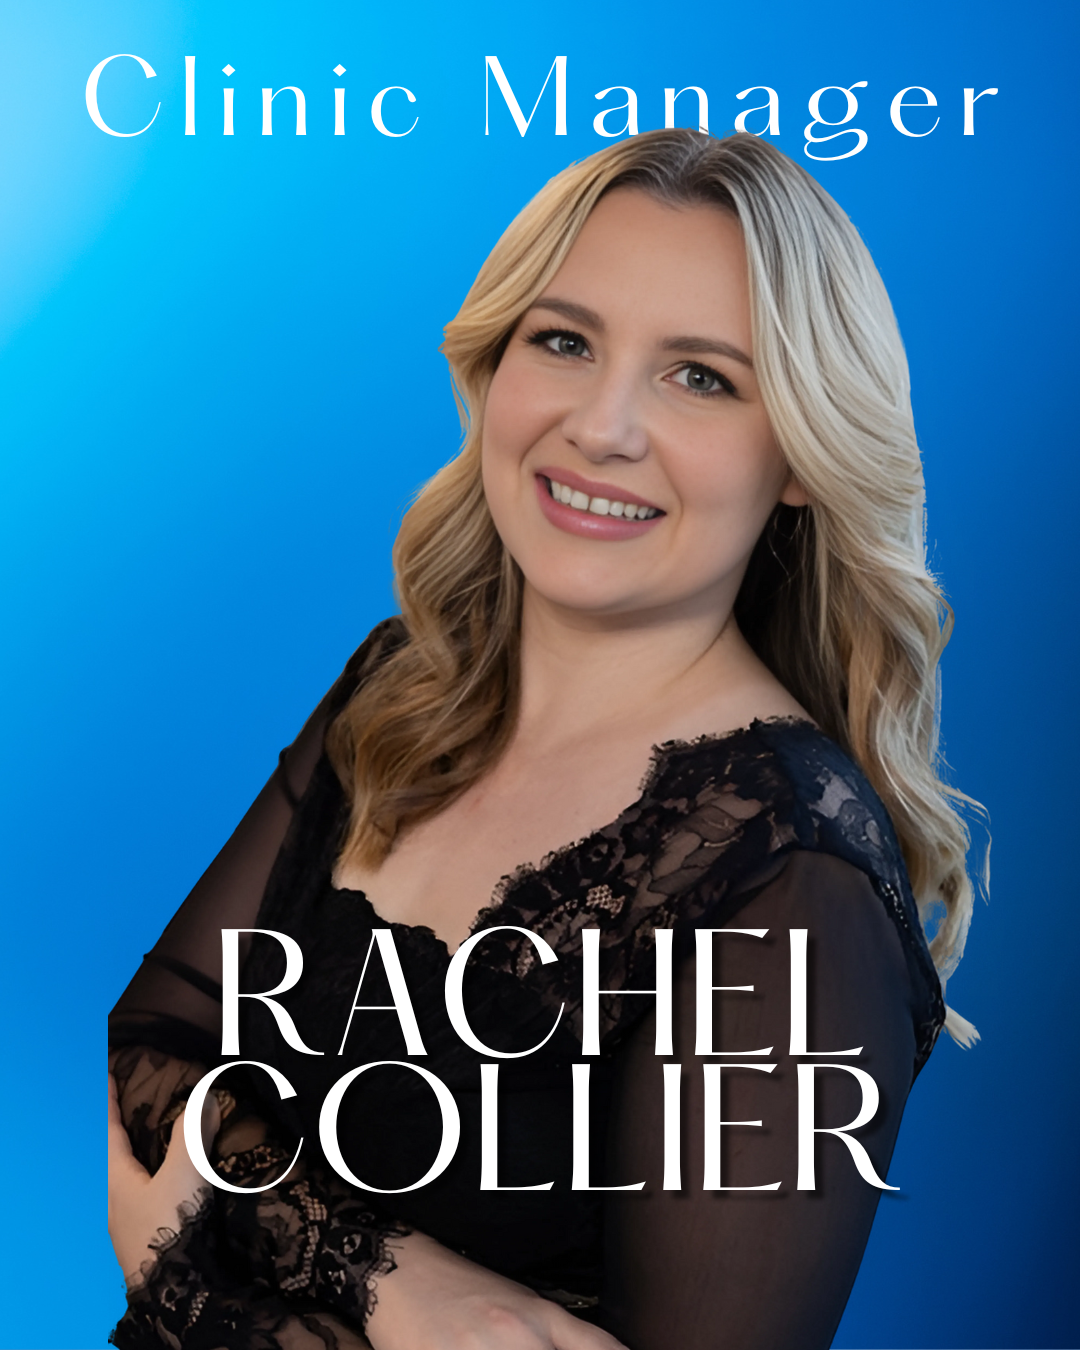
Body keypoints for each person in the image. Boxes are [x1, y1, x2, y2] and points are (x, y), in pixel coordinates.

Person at [107, 128, 978, 1350]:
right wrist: (398, 1287)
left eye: (702, 377)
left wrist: (216, 1240)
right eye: (564, 341)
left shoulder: (792, 878)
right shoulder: (399, 690)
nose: (601, 427)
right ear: (495, 360)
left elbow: (173, 1172)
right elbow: (152, 1069)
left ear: (799, 454)